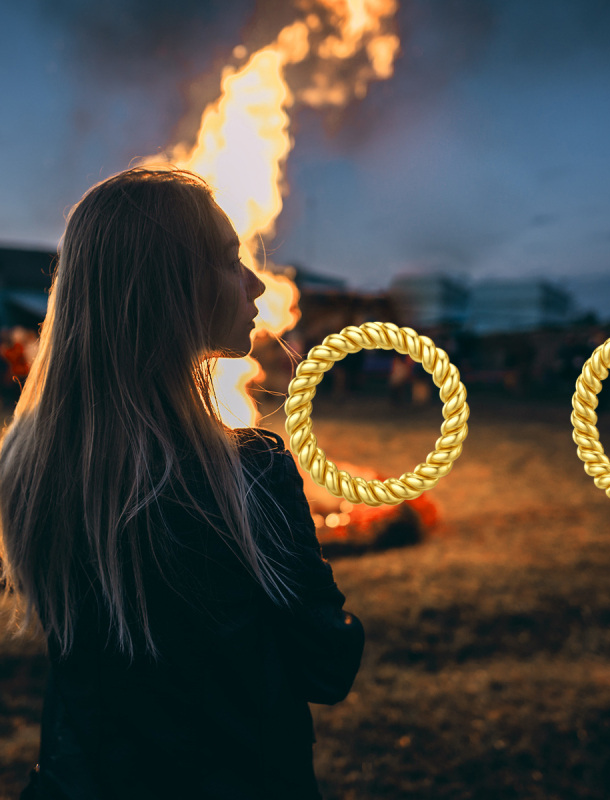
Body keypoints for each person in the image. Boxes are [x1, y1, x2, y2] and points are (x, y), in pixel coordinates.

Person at [0, 167, 364, 799]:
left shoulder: (33, 470)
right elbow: (327, 666)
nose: (255, 284)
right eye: (229, 261)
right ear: (165, 288)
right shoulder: (246, 477)